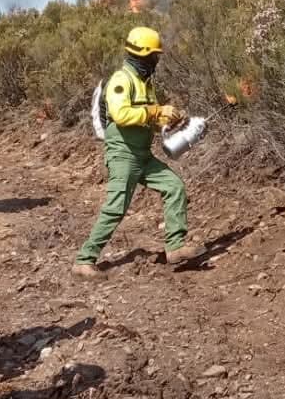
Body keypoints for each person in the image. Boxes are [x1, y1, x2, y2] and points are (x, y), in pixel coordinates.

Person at [72, 25, 202, 279]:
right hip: (123, 153)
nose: (156, 61)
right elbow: (121, 115)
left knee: (174, 187)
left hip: (142, 153)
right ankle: (84, 259)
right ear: (142, 56)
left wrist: (171, 120)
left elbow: (149, 121)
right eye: (153, 56)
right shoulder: (122, 80)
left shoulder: (146, 85)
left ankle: (175, 247)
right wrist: (156, 112)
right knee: (116, 207)